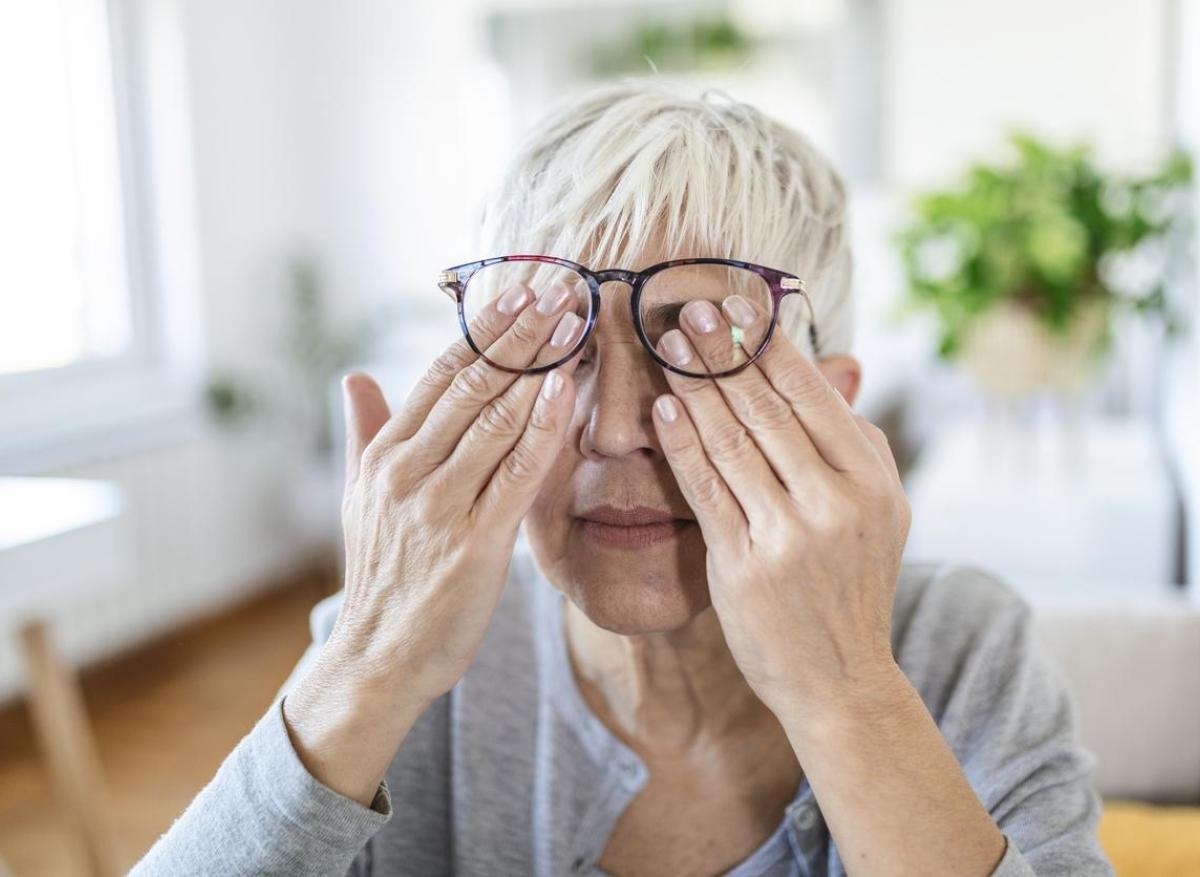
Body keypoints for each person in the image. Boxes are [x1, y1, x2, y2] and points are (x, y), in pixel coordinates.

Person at [132, 80, 1113, 876]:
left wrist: (843, 688)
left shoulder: (961, 647)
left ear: (836, 411)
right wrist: (371, 661)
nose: (611, 429)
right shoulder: (395, 654)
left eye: (699, 342)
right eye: (555, 342)